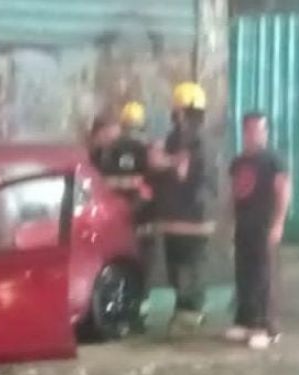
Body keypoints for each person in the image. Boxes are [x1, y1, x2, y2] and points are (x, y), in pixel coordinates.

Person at [150, 82, 214, 336]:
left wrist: (166, 161)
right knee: (176, 266)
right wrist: (167, 161)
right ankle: (183, 310)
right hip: (175, 216)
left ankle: (192, 311)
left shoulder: (200, 141)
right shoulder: (174, 138)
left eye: (179, 111)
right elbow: (163, 164)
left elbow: (182, 169)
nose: (175, 116)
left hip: (195, 217)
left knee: (191, 265)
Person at [225, 112, 291, 350]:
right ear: (243, 133)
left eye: (259, 130)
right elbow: (234, 194)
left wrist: (278, 223)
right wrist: (231, 224)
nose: (254, 135)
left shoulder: (273, 160)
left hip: (264, 226)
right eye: (250, 130)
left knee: (265, 277)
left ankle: (267, 328)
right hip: (244, 226)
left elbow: (283, 191)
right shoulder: (239, 162)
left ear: (266, 132)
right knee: (244, 275)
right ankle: (245, 321)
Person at [92, 101, 156, 333]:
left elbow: (145, 186)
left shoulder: (140, 151)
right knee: (124, 268)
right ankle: (127, 314)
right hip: (117, 220)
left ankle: (138, 315)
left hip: (138, 219)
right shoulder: (103, 153)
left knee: (141, 267)